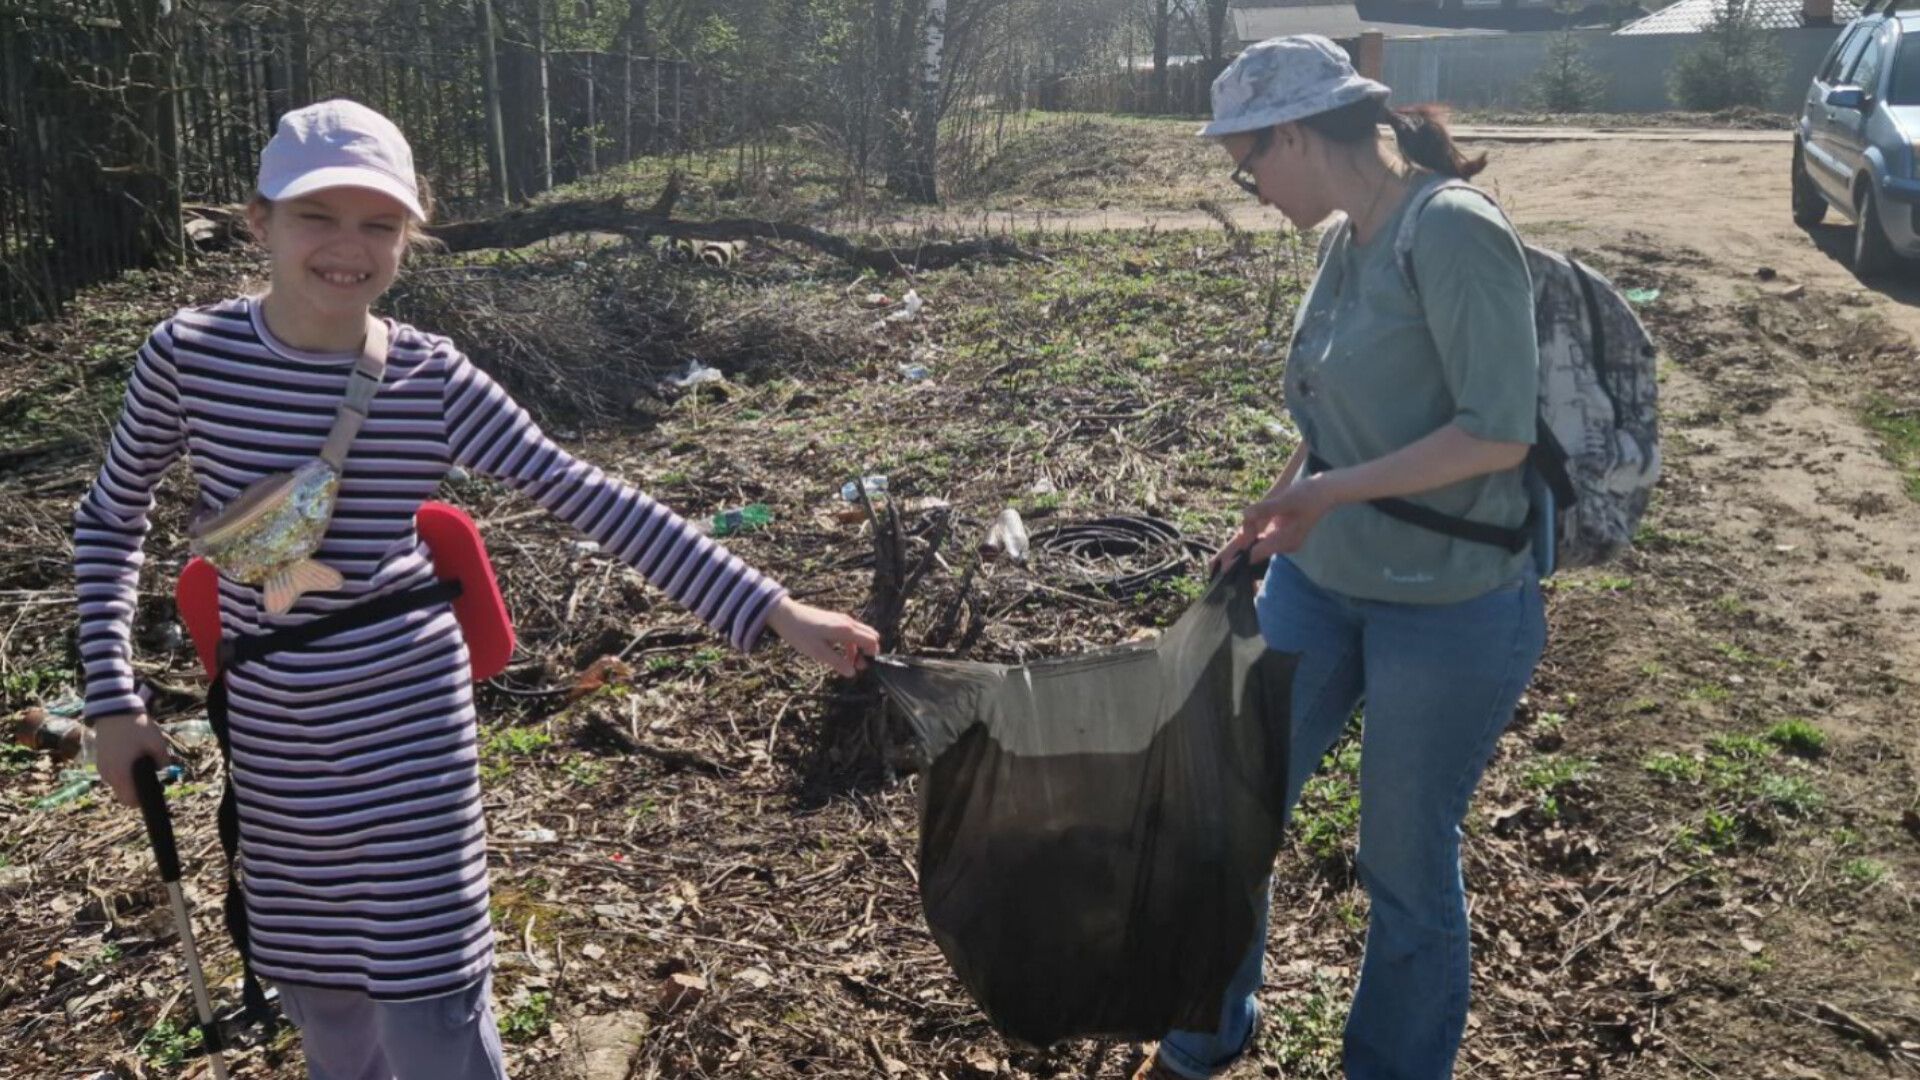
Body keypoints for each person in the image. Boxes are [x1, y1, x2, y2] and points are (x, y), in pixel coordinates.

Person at [75, 98, 880, 1080]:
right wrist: (114, 706)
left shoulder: (427, 376)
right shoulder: (188, 358)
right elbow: (112, 519)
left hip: (412, 746)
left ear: (410, 235)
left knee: (434, 1022)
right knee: (328, 1014)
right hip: (278, 750)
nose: (348, 247)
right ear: (259, 222)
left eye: (379, 224)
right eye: (316, 216)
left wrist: (773, 610)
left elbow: (589, 494)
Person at [1136, 36, 1549, 1080]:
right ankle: (1201, 1038)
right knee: (1229, 807)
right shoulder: (1347, 236)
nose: (1249, 187)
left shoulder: (1449, 231)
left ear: (1293, 135)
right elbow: (1335, 416)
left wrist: (1327, 494)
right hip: (1324, 585)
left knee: (1403, 864)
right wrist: (1290, 500)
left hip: (1451, 605)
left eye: (1248, 164)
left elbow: (1498, 432)